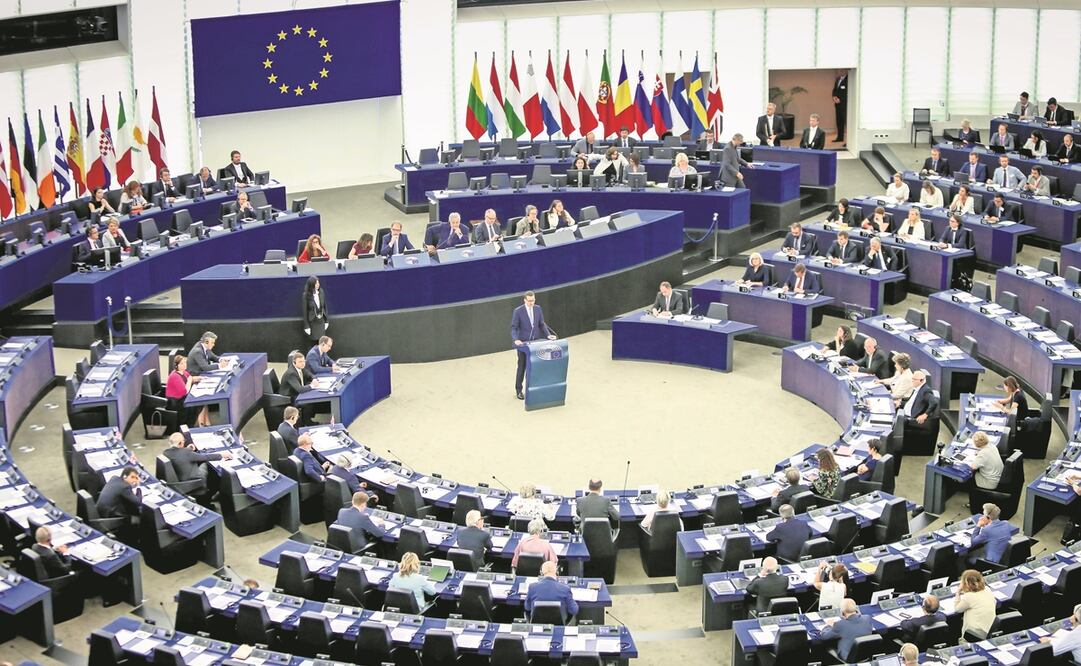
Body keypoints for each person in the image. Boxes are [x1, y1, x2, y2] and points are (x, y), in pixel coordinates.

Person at [511, 291, 557, 400]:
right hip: (523, 344)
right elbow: (514, 327)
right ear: (525, 300)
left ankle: (532, 388)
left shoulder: (538, 309)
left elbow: (542, 324)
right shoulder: (518, 311)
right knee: (522, 367)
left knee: (535, 367)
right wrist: (516, 339)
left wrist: (548, 335)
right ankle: (519, 390)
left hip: (536, 344)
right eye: (529, 301)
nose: (532, 303)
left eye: (533, 300)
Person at [163, 432, 230, 490]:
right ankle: (212, 491)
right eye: (184, 441)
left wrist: (188, 449)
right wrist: (221, 455)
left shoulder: (166, 452)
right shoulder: (186, 452)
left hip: (179, 480)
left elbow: (179, 454)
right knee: (207, 464)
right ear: (180, 443)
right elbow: (204, 457)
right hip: (193, 481)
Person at [955, 569, 995, 641]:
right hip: (988, 630)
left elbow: (957, 609)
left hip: (973, 635)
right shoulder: (987, 589)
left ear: (967, 583)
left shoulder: (969, 597)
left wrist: (957, 592)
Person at [166, 354, 202, 427]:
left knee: (199, 403)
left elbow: (191, 378)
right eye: (181, 363)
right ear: (177, 366)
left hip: (182, 398)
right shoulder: (175, 376)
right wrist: (190, 380)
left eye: (185, 363)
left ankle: (191, 424)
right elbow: (184, 391)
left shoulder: (183, 372)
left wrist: (202, 378)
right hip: (176, 402)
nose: (184, 365)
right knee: (194, 405)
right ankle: (188, 425)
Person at [301, 276, 329, 341]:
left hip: (321, 321)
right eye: (316, 283)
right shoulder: (305, 295)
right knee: (313, 341)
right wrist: (306, 326)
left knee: (322, 341)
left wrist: (326, 320)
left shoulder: (321, 292)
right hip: (312, 322)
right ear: (311, 284)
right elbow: (304, 312)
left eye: (318, 282)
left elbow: (325, 306)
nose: (318, 284)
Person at [832, 70, 848, 144]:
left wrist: (840, 99)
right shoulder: (838, 79)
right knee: (839, 121)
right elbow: (835, 90)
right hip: (837, 105)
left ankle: (848, 141)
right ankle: (840, 137)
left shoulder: (849, 79)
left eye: (842, 70)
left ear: (846, 71)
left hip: (845, 105)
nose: (840, 71)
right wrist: (834, 97)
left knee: (846, 123)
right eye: (839, 70)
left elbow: (848, 92)